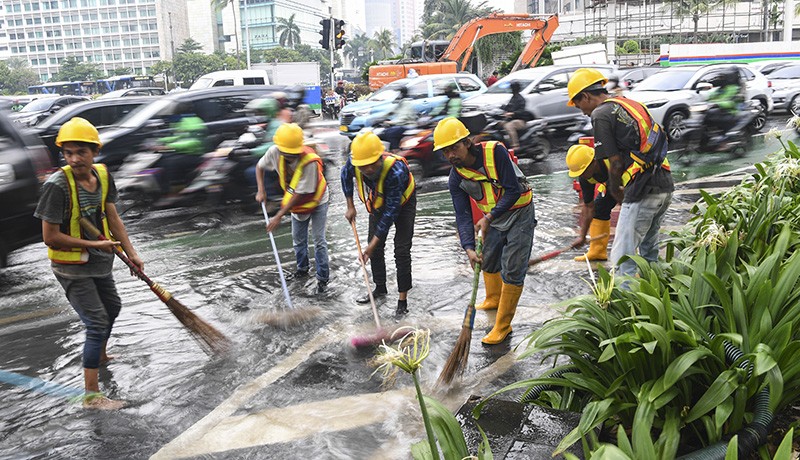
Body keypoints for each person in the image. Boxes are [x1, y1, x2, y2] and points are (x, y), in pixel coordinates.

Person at [34, 117, 143, 410]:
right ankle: (91, 397)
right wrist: (96, 244)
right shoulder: (57, 186)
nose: (74, 159)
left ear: (95, 151)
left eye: (81, 152)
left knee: (113, 308)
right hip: (71, 267)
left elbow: (113, 216)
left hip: (99, 261)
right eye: (68, 153)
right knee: (96, 322)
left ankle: (100, 354)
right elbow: (50, 237)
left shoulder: (103, 176)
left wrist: (131, 253)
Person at [434, 117, 536, 345]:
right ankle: (492, 298)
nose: (451, 155)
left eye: (454, 148)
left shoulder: (495, 152)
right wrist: (468, 248)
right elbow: (462, 215)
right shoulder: (456, 177)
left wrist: (488, 217)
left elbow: (511, 191)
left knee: (512, 268)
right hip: (493, 219)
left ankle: (503, 326)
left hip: (519, 211)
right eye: (445, 152)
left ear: (467, 142)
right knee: (487, 260)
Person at [567, 67, 673, 278]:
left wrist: (618, 195)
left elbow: (614, 163)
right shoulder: (630, 104)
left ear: (586, 96)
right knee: (649, 251)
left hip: (641, 189)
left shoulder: (600, 114)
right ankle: (658, 297)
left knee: (623, 259)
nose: (583, 112)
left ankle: (625, 305)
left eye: (580, 106)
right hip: (664, 185)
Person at [341, 131, 416, 317]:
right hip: (379, 200)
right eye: (363, 166)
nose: (367, 169)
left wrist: (371, 245)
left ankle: (402, 300)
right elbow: (344, 175)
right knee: (374, 250)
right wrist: (350, 205)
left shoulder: (395, 171)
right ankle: (380, 288)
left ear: (379, 157)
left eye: (371, 165)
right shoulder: (356, 162)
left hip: (403, 203)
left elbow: (391, 213)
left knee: (401, 250)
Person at [255, 123, 330, 294]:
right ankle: (302, 269)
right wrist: (261, 189)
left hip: (317, 200)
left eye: (293, 152)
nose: (290, 155)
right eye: (286, 152)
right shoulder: (274, 152)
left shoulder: (309, 162)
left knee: (319, 241)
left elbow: (300, 194)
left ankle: (323, 279)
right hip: (296, 201)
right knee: (298, 239)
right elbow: (260, 167)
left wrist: (279, 215)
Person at [565, 144, 616, 262]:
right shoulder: (585, 177)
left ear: (594, 162)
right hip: (611, 185)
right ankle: (597, 251)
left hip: (631, 181)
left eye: (583, 171)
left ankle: (635, 256)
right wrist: (582, 236)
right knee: (599, 208)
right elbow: (589, 207)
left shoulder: (611, 160)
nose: (581, 175)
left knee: (631, 213)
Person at [704, 66, 744, 134]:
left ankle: (723, 142)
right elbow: (711, 97)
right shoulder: (722, 89)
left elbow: (732, 102)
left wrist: (718, 104)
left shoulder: (735, 88)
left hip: (730, 112)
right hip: (720, 111)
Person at [380, 86, 418, 150]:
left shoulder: (407, 103)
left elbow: (404, 117)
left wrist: (391, 122)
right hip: (401, 125)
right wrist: (380, 118)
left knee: (390, 133)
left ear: (402, 93)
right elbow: (391, 111)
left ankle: (396, 150)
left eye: (398, 93)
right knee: (384, 132)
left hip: (407, 125)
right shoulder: (401, 103)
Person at [500, 81, 532, 151]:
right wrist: (501, 107)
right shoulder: (513, 98)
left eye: (513, 88)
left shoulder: (520, 99)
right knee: (499, 124)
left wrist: (512, 113)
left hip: (521, 120)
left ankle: (515, 145)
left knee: (509, 126)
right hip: (512, 119)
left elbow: (521, 111)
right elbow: (509, 107)